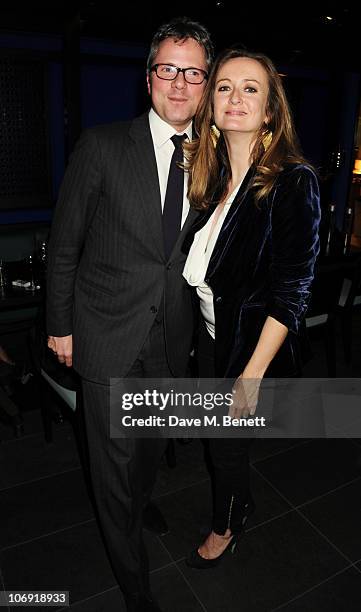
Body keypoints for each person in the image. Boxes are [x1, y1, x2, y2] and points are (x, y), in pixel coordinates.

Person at [46, 17, 213, 612]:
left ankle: (142, 502)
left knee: (147, 453)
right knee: (113, 474)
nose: (179, 83)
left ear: (204, 84)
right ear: (149, 80)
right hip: (106, 333)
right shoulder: (103, 145)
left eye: (193, 73)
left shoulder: (212, 160)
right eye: (168, 69)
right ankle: (136, 589)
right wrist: (60, 326)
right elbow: (65, 245)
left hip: (171, 338)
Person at [182, 47, 321, 568]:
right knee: (221, 442)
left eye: (251, 88)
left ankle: (227, 525)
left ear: (270, 111)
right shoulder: (212, 177)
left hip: (248, 347)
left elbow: (294, 290)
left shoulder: (292, 179)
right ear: (210, 104)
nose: (235, 97)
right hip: (210, 335)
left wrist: (253, 374)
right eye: (223, 86)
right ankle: (238, 503)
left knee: (226, 448)